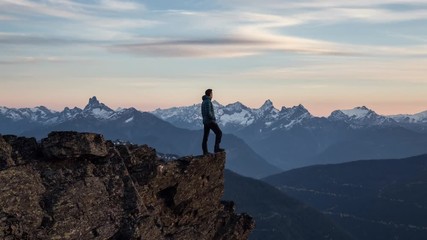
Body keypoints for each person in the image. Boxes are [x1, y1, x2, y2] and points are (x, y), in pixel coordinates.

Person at [201, 89, 224, 155]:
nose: (212, 95)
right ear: (210, 94)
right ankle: (216, 148)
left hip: (205, 122)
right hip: (210, 121)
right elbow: (208, 112)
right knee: (219, 133)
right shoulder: (208, 101)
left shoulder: (203, 102)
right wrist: (213, 118)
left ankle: (205, 152)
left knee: (205, 137)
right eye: (212, 94)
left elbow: (203, 113)